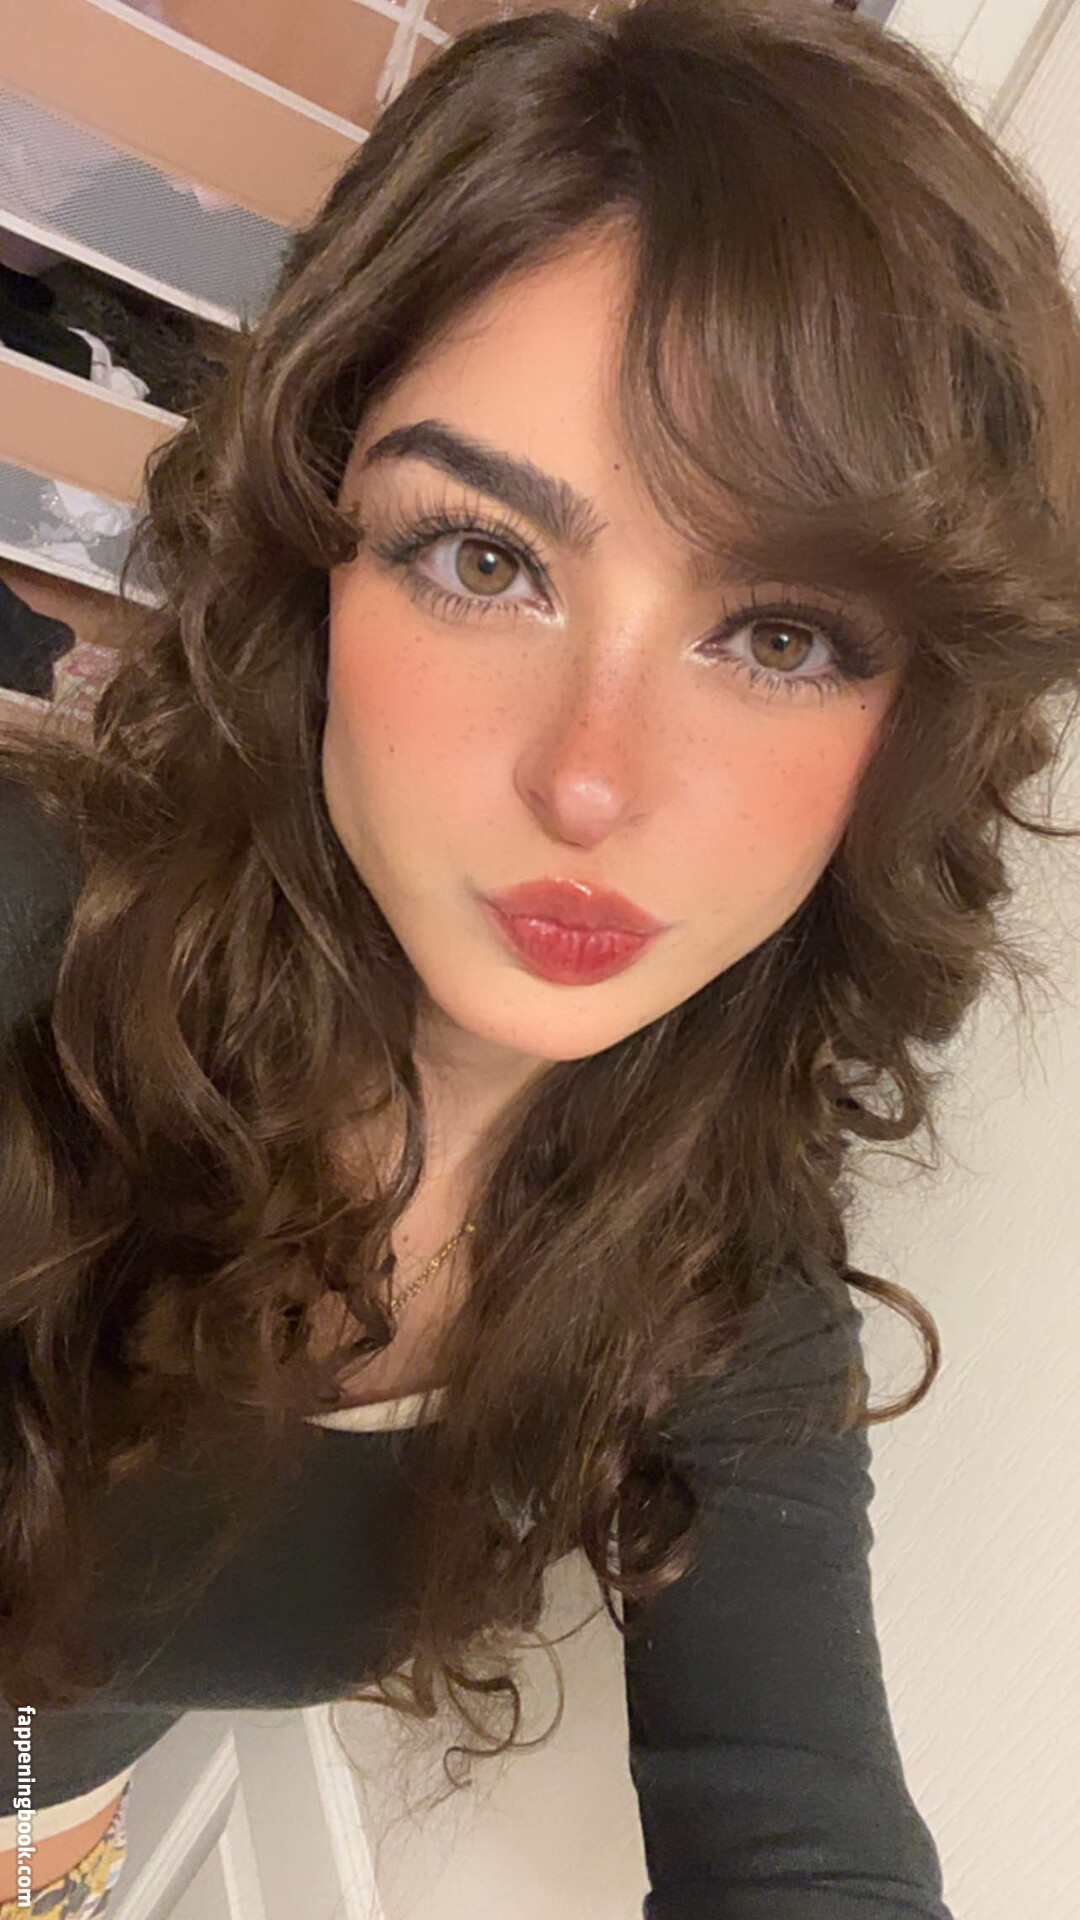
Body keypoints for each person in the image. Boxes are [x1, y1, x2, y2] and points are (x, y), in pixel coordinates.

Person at [2, 0, 1079, 1911]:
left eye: (783, 635)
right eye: (485, 559)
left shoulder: (714, 1266)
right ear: (313, 554)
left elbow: (797, 1818)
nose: (593, 780)